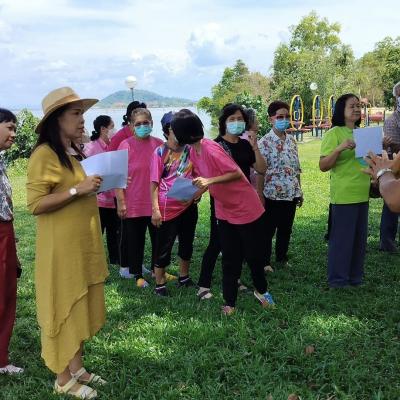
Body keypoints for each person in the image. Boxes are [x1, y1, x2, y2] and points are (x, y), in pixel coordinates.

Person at [26, 87, 109, 399]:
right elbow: (35, 204)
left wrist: (97, 185)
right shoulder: (44, 154)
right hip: (60, 249)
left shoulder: (75, 151)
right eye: (75, 114)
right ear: (56, 119)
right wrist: (78, 190)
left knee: (79, 303)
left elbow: (80, 188)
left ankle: (77, 368)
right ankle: (62, 379)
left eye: (82, 113)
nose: (82, 119)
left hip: (82, 244)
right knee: (61, 306)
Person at [171, 109, 275, 315]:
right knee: (230, 257)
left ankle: (262, 291)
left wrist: (209, 181)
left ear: (184, 132)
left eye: (175, 131)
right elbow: (203, 179)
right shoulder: (193, 151)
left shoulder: (211, 148)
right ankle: (230, 303)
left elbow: (235, 173)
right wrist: (193, 195)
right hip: (224, 210)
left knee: (253, 256)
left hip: (245, 207)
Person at [197, 103, 267, 300]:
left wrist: (255, 146)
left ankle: (235, 280)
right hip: (222, 202)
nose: (237, 122)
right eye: (232, 119)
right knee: (216, 242)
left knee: (242, 244)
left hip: (243, 203)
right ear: (223, 122)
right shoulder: (216, 146)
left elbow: (261, 169)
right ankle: (203, 284)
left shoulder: (245, 144)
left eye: (240, 119)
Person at [319, 93, 370, 288]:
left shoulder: (363, 134)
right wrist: (339, 149)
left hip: (362, 194)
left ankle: (355, 278)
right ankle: (338, 280)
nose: (356, 109)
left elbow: (367, 163)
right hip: (344, 196)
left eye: (358, 106)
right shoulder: (334, 134)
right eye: (352, 106)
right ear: (341, 110)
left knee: (359, 240)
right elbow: (323, 165)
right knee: (342, 240)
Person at [150, 111, 200, 296]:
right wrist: (155, 210)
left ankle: (184, 277)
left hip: (188, 204)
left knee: (187, 242)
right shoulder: (160, 152)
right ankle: (160, 283)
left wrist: (197, 194)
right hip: (166, 207)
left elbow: (199, 175)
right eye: (174, 128)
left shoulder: (191, 150)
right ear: (167, 131)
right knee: (164, 245)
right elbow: (154, 182)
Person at [115, 108, 163, 288]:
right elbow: (118, 177)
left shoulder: (159, 144)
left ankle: (158, 270)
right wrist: (121, 202)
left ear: (151, 123)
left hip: (155, 203)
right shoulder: (125, 145)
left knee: (159, 240)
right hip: (133, 203)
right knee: (135, 241)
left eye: (146, 123)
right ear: (131, 126)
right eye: (138, 124)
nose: (143, 126)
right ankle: (137, 274)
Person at [257, 101, 303, 271]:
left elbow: (296, 168)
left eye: (287, 116)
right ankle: (265, 262)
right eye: (280, 117)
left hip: (291, 193)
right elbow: (260, 172)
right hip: (271, 194)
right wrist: (260, 195)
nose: (284, 120)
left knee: (286, 229)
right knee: (268, 231)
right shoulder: (264, 142)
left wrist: (299, 190)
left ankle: (282, 257)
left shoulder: (291, 141)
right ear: (271, 119)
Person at [0, 108, 23, 375]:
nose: (14, 134)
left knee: (6, 293)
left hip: (5, 231)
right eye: (9, 127)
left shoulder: (2, 160)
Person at [85, 115, 120, 265]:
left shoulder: (115, 146)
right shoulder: (91, 148)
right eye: (112, 126)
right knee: (97, 233)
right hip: (99, 199)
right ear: (103, 129)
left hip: (114, 198)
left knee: (115, 232)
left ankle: (115, 259)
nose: (114, 129)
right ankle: (94, 261)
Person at [379, 81, 400, 252]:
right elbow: (393, 148)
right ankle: (387, 242)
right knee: (391, 204)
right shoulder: (392, 121)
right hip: (395, 168)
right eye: (399, 95)